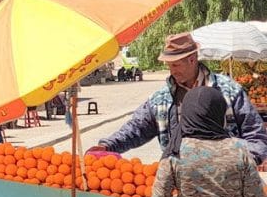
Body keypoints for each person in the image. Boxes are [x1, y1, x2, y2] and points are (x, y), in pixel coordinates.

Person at [92, 32, 267, 164]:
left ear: (192, 59)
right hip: (179, 182)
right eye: (169, 66)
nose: (172, 71)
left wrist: (237, 164)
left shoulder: (229, 91)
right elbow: (135, 129)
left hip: (227, 184)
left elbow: (257, 138)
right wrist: (108, 146)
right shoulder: (161, 99)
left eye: (176, 64)